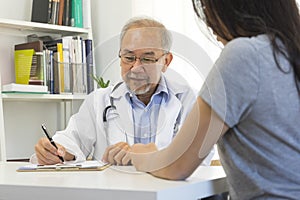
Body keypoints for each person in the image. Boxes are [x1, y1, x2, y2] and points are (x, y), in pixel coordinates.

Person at [130, 0, 300, 199]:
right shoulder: (289, 53)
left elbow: (177, 165)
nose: (209, 25)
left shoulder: (245, 55)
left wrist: (141, 154)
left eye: (208, 9)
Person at [33, 17, 214, 166]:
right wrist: (58, 152)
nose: (136, 67)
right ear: (120, 58)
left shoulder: (189, 99)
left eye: (147, 58)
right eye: (129, 58)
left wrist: (153, 156)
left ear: (166, 61)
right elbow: (71, 139)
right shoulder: (99, 101)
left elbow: (201, 157)